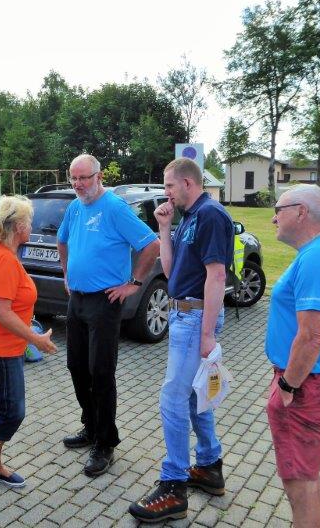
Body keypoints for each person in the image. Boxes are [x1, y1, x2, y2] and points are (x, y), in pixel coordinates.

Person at [129, 157, 234, 523]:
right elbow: (172, 273)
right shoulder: (189, 216)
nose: (166, 193)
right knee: (192, 396)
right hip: (182, 313)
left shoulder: (210, 215)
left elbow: (217, 276)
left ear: (188, 183)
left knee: (172, 398)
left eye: (169, 186)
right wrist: (164, 227)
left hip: (194, 318)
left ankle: (174, 485)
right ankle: (208, 466)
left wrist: (206, 334)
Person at [58, 154, 160, 477]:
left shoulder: (115, 208)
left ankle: (105, 442)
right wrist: (66, 274)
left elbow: (151, 245)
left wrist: (134, 283)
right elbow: (62, 240)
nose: (78, 184)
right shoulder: (75, 207)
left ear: (99, 177)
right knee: (77, 367)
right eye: (74, 178)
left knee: (101, 372)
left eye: (84, 178)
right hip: (77, 300)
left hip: (105, 301)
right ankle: (90, 426)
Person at [265, 185, 320, 528]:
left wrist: (288, 385)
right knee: (307, 476)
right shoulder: (318, 253)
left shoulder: (318, 258)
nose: (274, 218)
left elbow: (312, 336)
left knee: (299, 484)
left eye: (279, 209)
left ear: (301, 212)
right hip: (310, 382)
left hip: (305, 385)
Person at [0, 196, 57, 511]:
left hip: (3, 346)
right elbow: (2, 313)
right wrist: (36, 340)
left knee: (2, 407)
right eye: (29, 221)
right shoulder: (2, 258)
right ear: (17, 227)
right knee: (12, 412)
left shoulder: (4, 253)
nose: (32, 226)